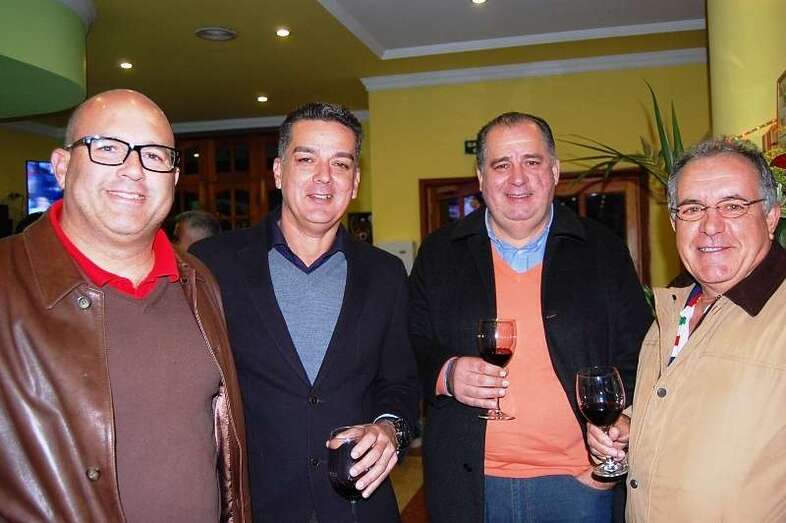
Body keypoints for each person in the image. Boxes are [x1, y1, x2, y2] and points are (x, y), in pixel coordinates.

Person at [0, 90, 250, 522]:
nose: (134, 170)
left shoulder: (198, 282)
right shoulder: (7, 281)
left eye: (154, 155)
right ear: (62, 166)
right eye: (108, 148)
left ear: (173, 178)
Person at [409, 112, 652, 522]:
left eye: (532, 162)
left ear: (554, 171)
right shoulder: (439, 254)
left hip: (580, 484)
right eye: (501, 164)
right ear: (481, 177)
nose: (517, 178)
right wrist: (446, 373)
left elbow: (640, 351)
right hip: (469, 487)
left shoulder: (602, 250)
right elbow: (409, 345)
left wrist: (621, 420)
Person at [191, 102, 419, 522]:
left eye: (340, 163)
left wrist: (389, 428)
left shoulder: (386, 274)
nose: (324, 177)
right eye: (307, 159)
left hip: (358, 507)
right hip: (254, 506)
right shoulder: (212, 265)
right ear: (279, 172)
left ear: (355, 182)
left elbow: (401, 382)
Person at [588, 138, 786, 522]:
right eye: (693, 209)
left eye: (733, 206)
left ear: (770, 217)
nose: (711, 226)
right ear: (674, 223)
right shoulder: (674, 308)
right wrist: (631, 427)